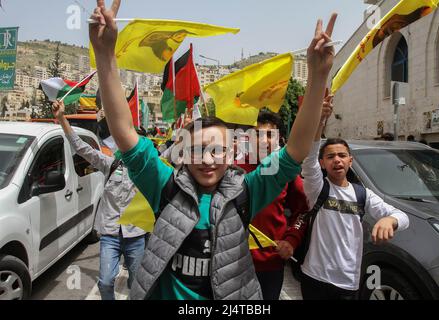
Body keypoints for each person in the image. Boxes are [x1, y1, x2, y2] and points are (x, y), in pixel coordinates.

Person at [89, 0, 337, 300]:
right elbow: (125, 132)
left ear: (231, 154)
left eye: (216, 150)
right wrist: (105, 55)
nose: (207, 160)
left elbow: (296, 149)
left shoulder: (247, 190)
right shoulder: (165, 187)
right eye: (197, 150)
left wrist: (318, 76)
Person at [298, 100, 410, 300]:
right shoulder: (317, 188)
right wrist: (320, 121)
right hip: (314, 277)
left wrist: (389, 220)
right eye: (330, 156)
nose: (337, 160)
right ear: (322, 163)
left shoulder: (363, 194)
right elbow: (309, 157)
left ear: (351, 160)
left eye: (342, 155)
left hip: (348, 283)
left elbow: (402, 217)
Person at [52, 100, 147, 300]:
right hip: (110, 234)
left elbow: (177, 159)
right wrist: (61, 118)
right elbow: (81, 148)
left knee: (137, 283)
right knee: (105, 282)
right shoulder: (111, 164)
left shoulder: (150, 169)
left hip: (136, 236)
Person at [236, 111, 309, 300]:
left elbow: (301, 212)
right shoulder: (230, 169)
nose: (263, 141)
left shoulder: (286, 172)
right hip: (231, 263)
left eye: (270, 135)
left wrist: (291, 240)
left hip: (270, 264)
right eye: (257, 134)